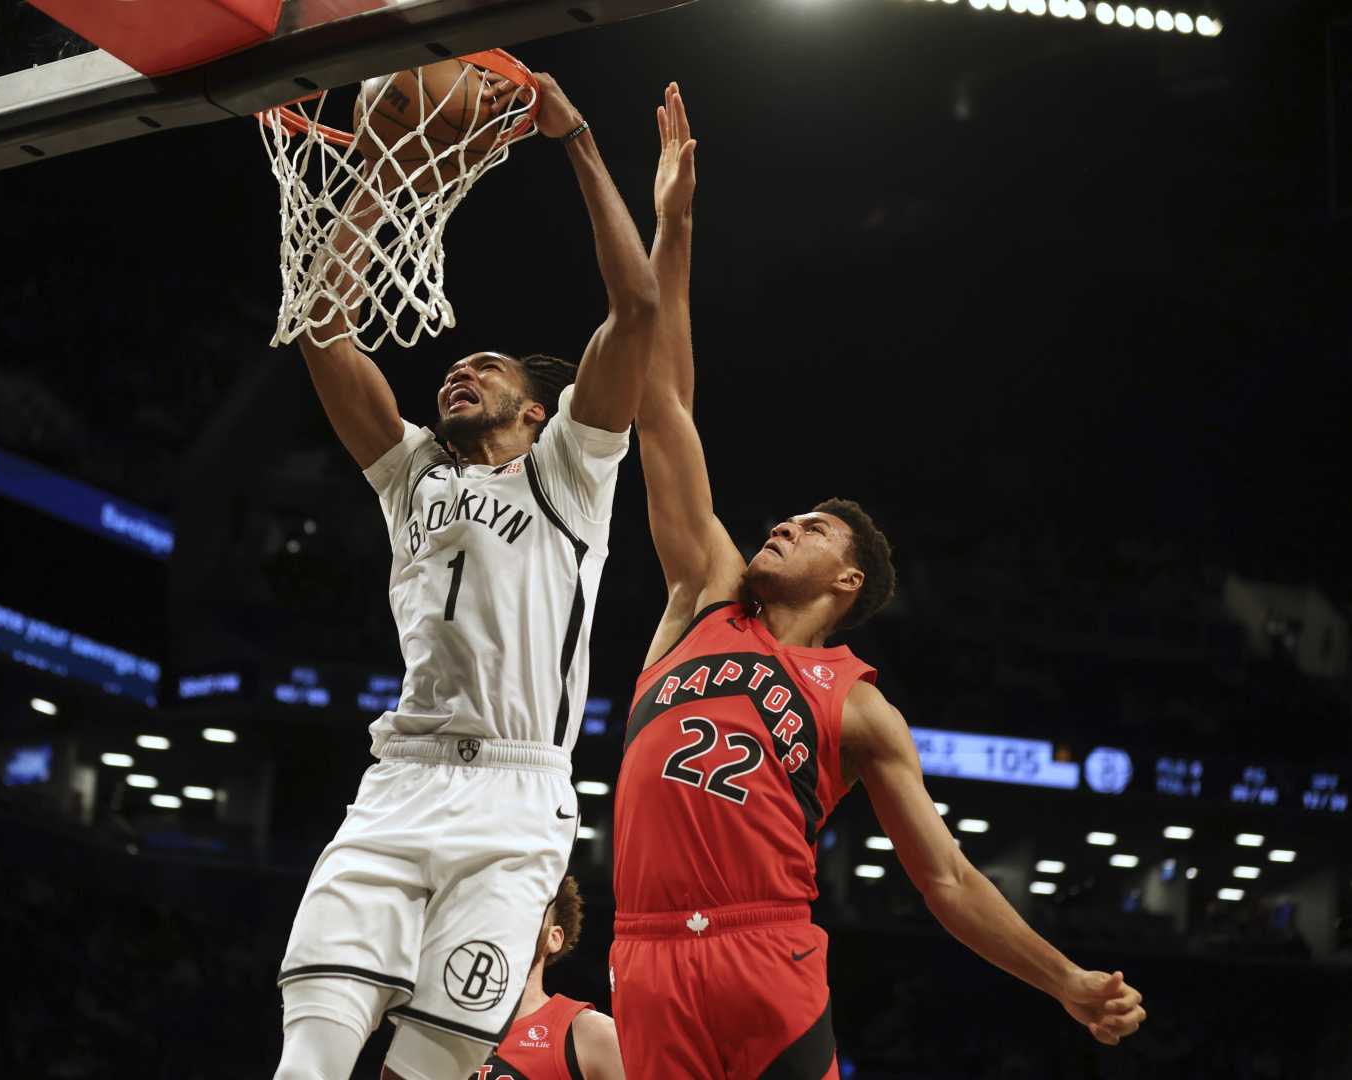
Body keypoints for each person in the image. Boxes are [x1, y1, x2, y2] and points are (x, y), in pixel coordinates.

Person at [607, 83, 1148, 1078]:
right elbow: (663, 407)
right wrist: (672, 225)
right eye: (786, 516)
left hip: (762, 947)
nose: (780, 524)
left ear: (848, 580)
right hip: (641, 952)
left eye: (809, 527)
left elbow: (944, 877)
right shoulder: (703, 596)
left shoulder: (858, 707)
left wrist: (1067, 980)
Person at [274, 73, 660, 1080]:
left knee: (435, 1072)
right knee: (309, 1060)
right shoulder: (412, 475)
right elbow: (323, 325)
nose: (460, 371)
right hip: (399, 782)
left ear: (541, 410)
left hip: (516, 798)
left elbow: (639, 305)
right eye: (456, 365)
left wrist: (575, 139)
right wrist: (386, 173)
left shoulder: (570, 472)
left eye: (485, 368)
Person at [473, 877, 624, 1080]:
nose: (505, 921)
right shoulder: (437, 1024)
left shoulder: (592, 1035)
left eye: (525, 910)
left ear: (554, 938)